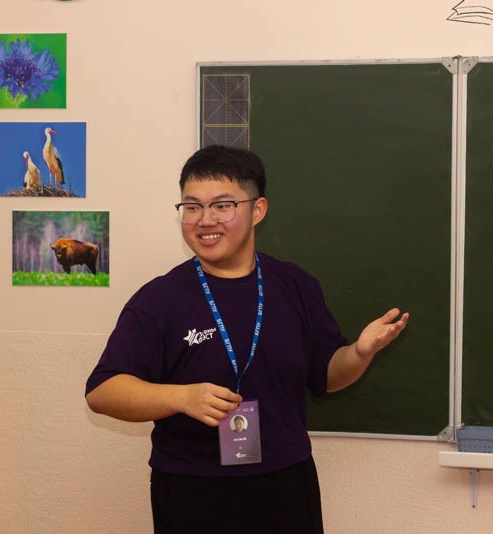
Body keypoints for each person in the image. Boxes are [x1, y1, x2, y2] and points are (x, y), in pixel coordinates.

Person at [85, 145, 409, 534]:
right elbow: (102, 391)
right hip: (191, 489)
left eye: (222, 206)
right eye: (192, 207)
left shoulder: (296, 286)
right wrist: (181, 398)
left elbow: (326, 375)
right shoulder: (159, 299)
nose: (205, 220)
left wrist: (359, 353)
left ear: (258, 210)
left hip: (286, 485)